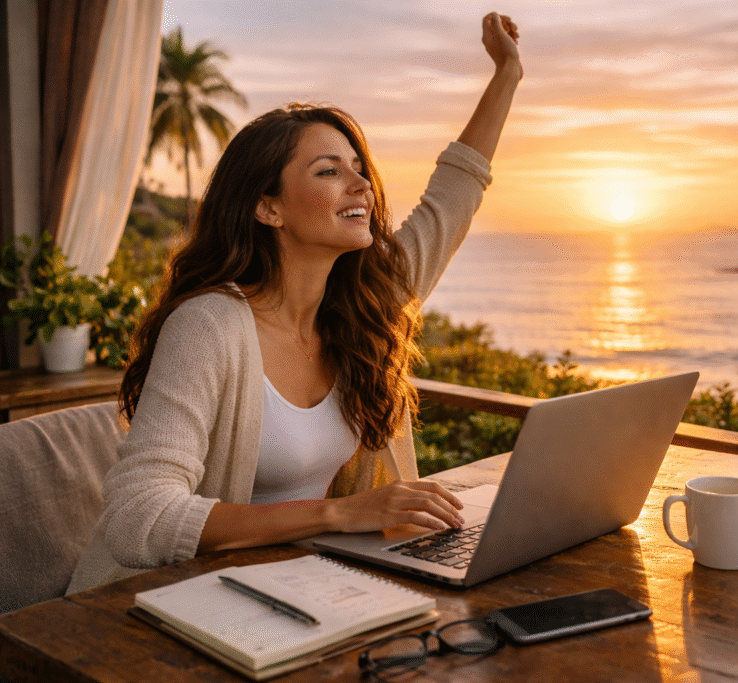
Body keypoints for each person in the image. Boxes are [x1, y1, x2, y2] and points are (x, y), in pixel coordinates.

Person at [67, 12, 522, 593]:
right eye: (329, 171)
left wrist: (507, 74)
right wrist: (337, 514)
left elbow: (451, 200)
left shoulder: (362, 306)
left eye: (359, 169)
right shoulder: (208, 326)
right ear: (268, 207)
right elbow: (139, 518)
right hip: (156, 604)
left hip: (292, 586)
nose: (362, 185)